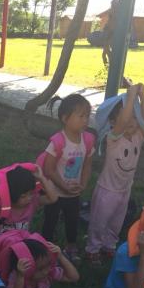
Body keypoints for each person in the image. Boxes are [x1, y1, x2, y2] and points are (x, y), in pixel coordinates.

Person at [85, 83, 144, 265]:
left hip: (124, 190)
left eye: (134, 117)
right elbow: (123, 122)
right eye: (126, 117)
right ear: (113, 122)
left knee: (117, 221)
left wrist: (142, 95)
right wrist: (130, 98)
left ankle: (109, 245)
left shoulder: (138, 136)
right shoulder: (113, 138)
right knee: (99, 221)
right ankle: (93, 248)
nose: (131, 121)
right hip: (107, 191)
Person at [41, 94, 94, 263]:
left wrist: (83, 184)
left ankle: (71, 247)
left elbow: (87, 165)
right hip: (54, 193)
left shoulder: (87, 140)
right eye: (81, 116)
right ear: (65, 119)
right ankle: (45, 250)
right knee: (50, 221)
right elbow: (48, 169)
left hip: (74, 193)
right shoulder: (58, 142)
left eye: (87, 115)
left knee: (73, 222)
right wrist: (63, 186)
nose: (85, 120)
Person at [0, 165, 58, 242]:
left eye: (31, 193)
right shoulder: (5, 207)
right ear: (11, 195)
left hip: (20, 241)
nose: (29, 198)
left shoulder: (32, 202)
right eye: (23, 196)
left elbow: (53, 198)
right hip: (0, 242)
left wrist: (42, 178)